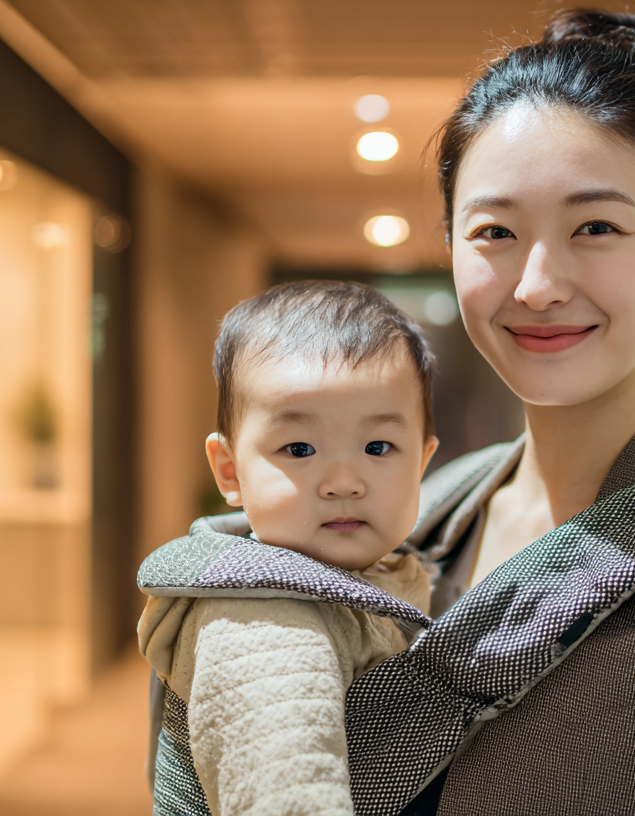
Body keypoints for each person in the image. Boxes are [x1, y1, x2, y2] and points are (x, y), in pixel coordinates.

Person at [142, 7, 635, 816]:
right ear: (449, 244)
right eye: (495, 231)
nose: (537, 285)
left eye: (595, 226)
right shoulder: (419, 513)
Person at [136, 280, 440, 816]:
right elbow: (284, 789)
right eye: (298, 448)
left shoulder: (387, 567)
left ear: (421, 462)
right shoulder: (262, 619)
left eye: (378, 447)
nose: (343, 481)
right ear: (230, 471)